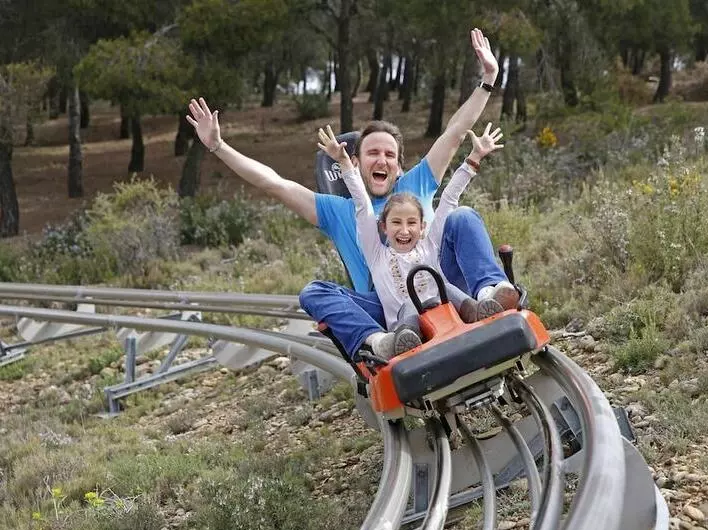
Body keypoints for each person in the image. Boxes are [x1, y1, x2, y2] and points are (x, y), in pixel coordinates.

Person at [186, 28, 517, 361]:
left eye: (390, 155)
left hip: (440, 281)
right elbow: (274, 183)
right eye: (373, 153)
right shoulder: (338, 210)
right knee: (314, 292)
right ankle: (378, 342)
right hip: (388, 307)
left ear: (400, 167)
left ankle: (491, 293)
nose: (381, 159)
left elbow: (456, 132)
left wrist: (489, 78)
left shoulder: (416, 183)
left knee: (461, 215)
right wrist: (218, 146)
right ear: (355, 163)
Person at [317, 123, 505, 359]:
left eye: (411, 223)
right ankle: (401, 339)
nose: (405, 231)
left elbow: (449, 198)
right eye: (396, 223)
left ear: (423, 227)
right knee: (406, 309)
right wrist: (345, 164)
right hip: (408, 326)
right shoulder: (377, 255)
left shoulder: (429, 246)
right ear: (383, 228)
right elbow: (362, 206)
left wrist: (475, 157)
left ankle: (479, 307)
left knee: (445, 283)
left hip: (446, 311)